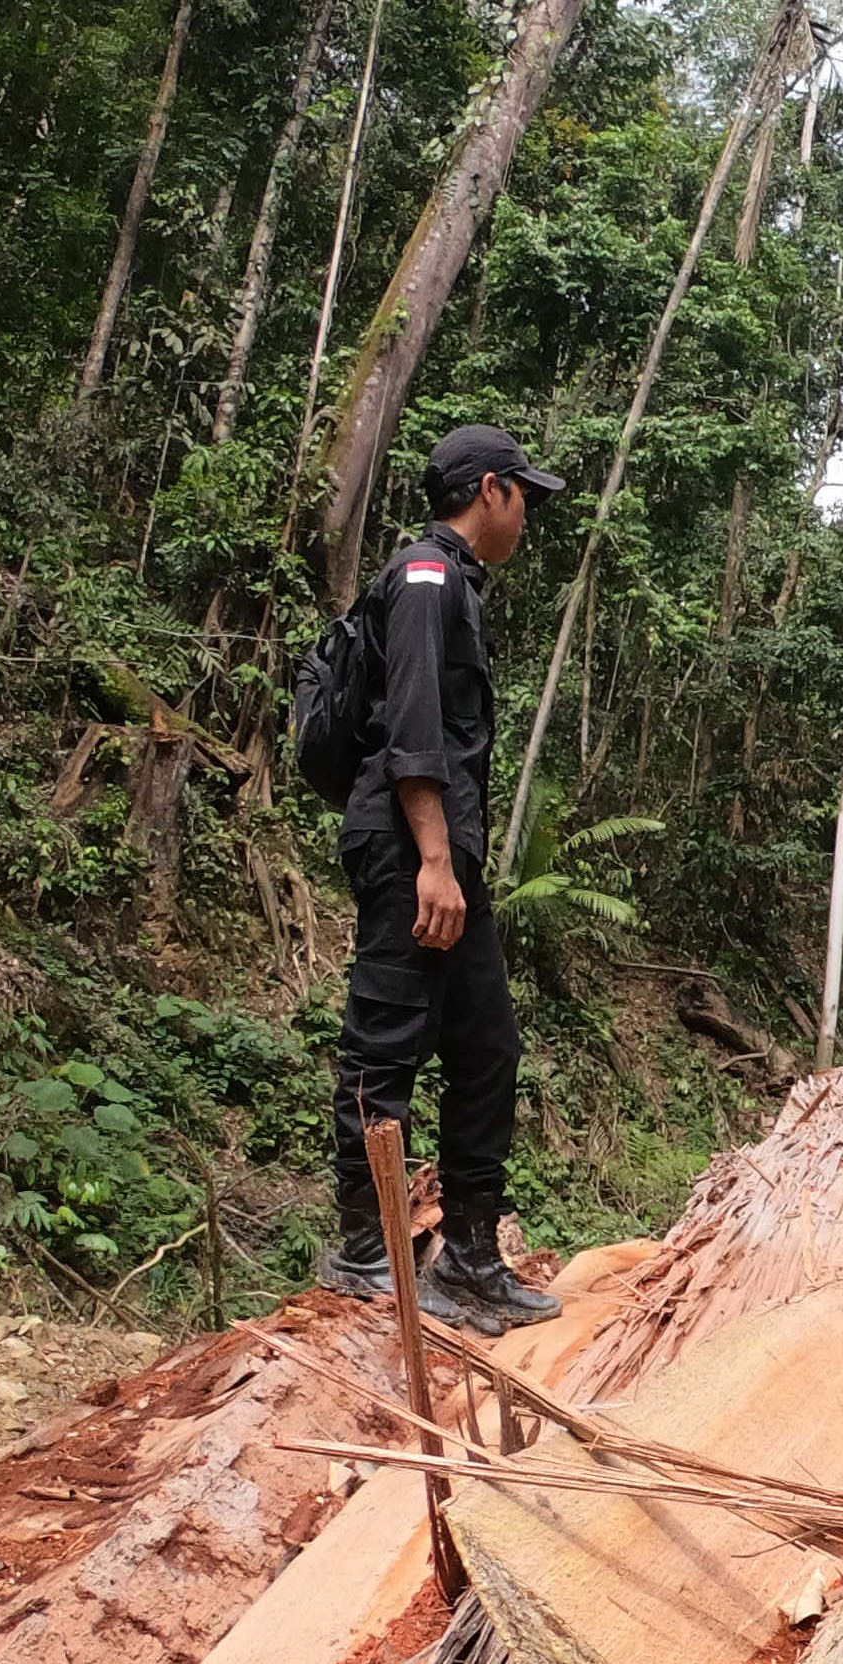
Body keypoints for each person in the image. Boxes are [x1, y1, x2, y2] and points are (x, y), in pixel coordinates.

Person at [320, 424, 568, 1334]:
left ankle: (467, 1258)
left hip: (442, 852)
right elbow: (414, 730)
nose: (528, 516)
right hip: (408, 846)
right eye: (525, 498)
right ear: (491, 490)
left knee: (486, 1046)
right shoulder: (425, 578)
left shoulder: (453, 582)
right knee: (385, 1043)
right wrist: (430, 857)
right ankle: (363, 1252)